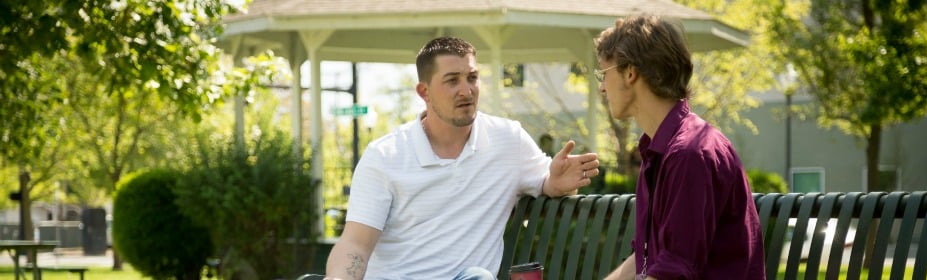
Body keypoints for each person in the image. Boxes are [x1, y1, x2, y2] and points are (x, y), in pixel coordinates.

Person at [324, 36, 601, 280]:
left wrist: (555, 182)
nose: (466, 90)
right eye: (452, 80)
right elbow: (356, 244)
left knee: (479, 276)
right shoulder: (385, 156)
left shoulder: (508, 140)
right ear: (424, 92)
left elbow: (546, 181)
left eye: (472, 77)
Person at [595, 15, 765, 279]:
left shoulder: (690, 154)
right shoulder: (659, 152)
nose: (602, 88)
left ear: (630, 73)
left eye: (604, 75)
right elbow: (645, 259)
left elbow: (674, 272)